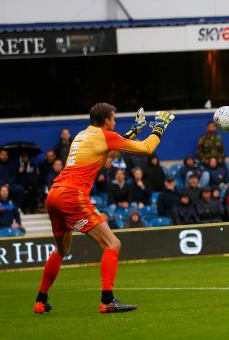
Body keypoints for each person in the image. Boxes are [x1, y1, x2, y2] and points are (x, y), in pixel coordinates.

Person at [34, 103, 175, 314]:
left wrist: (134, 130)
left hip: (54, 194)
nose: (115, 122)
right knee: (112, 243)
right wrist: (159, 127)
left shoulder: (82, 135)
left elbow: (108, 154)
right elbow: (146, 149)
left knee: (62, 250)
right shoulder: (105, 136)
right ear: (107, 121)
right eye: (114, 119)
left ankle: (40, 300)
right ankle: (107, 300)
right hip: (73, 196)